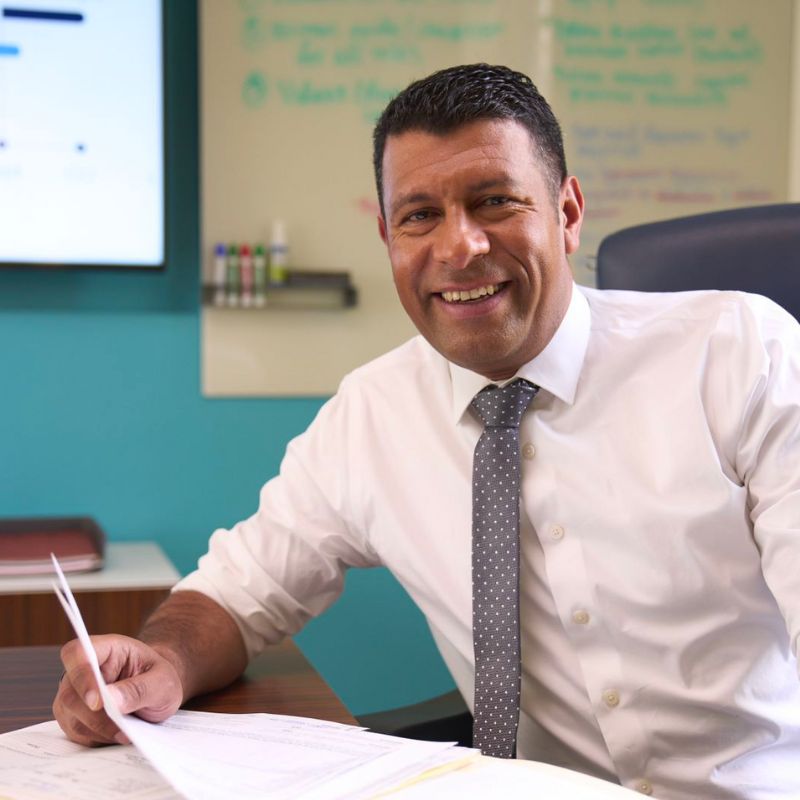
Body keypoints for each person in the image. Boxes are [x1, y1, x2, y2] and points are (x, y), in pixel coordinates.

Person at [54, 64, 800, 799]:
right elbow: (234, 594)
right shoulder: (373, 413)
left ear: (568, 213)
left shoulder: (738, 354)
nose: (459, 247)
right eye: (420, 216)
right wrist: (160, 660)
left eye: (495, 201)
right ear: (387, 237)